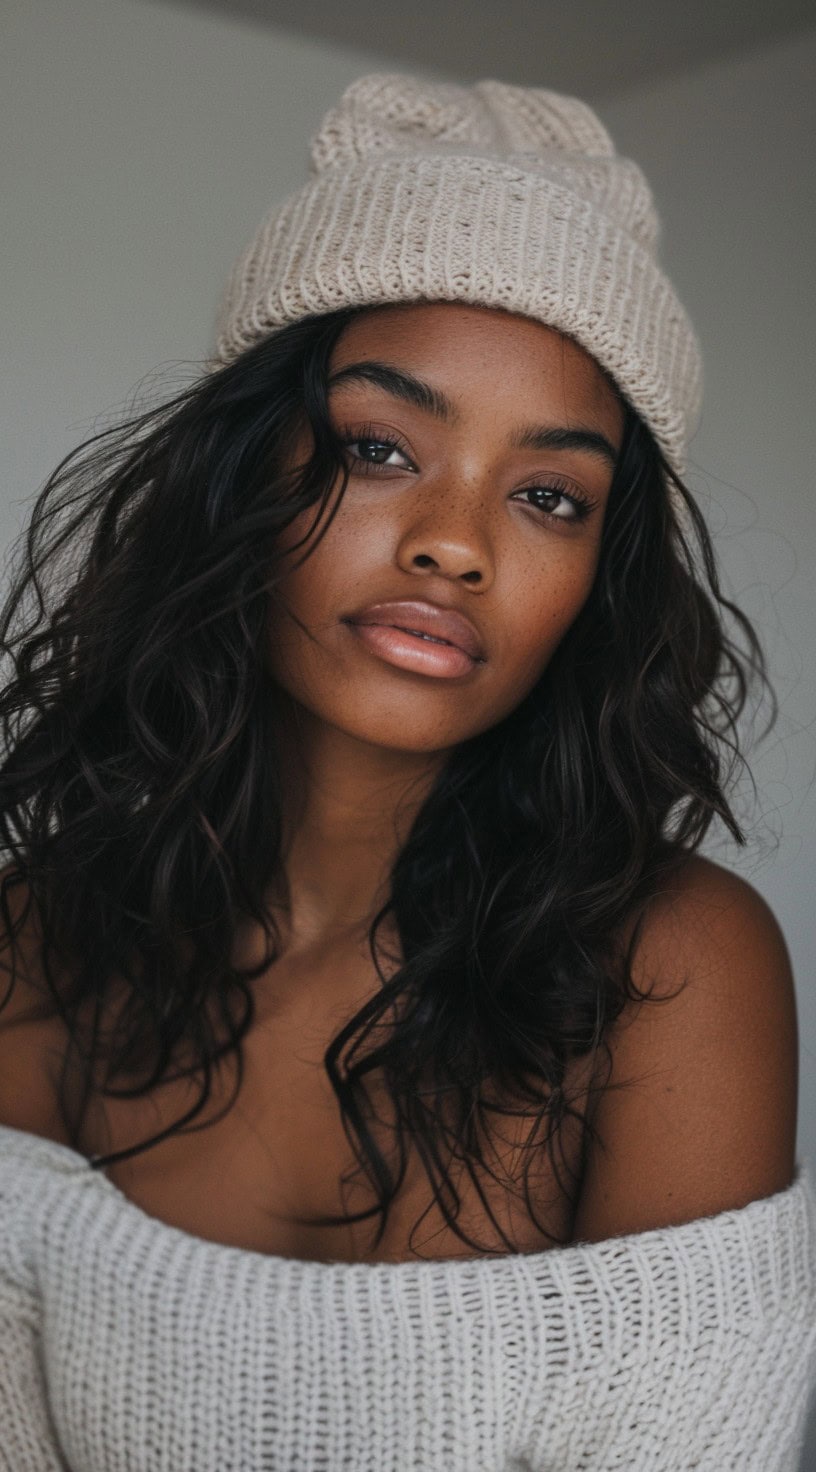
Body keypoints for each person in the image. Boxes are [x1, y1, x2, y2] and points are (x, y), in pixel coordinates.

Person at [0, 71, 813, 1472]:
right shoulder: (36, 943)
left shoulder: (671, 974)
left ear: (598, 586)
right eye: (380, 448)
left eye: (549, 493)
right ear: (241, 479)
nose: (456, 542)